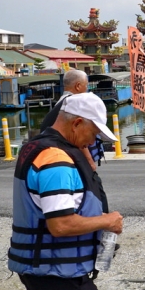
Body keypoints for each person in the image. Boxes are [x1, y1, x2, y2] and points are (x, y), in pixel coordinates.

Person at [8, 93, 131, 290]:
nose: (94, 140)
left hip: (38, 267)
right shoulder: (56, 159)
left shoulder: (35, 147)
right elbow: (61, 225)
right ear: (76, 123)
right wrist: (108, 221)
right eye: (94, 131)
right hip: (57, 271)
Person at [40, 69, 109, 212]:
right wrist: (89, 161)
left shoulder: (61, 103)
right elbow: (76, 136)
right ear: (78, 86)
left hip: (62, 154)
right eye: (86, 85)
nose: (87, 89)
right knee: (94, 191)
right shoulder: (70, 105)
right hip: (71, 156)